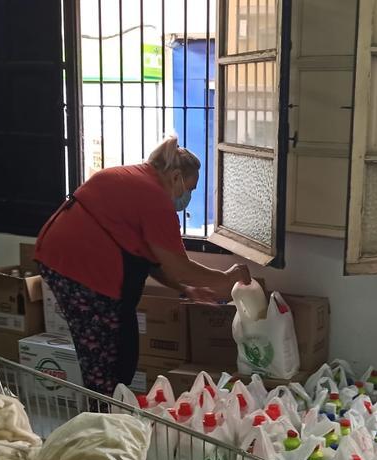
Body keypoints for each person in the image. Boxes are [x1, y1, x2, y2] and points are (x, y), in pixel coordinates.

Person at [34, 136, 250, 395]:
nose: (187, 197)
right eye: (189, 188)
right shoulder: (154, 197)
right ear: (176, 176)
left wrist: (187, 290)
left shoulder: (137, 179)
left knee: (119, 347)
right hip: (80, 269)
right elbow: (178, 267)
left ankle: (109, 411)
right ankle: (103, 420)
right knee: (107, 359)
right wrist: (225, 278)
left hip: (63, 259)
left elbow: (151, 261)